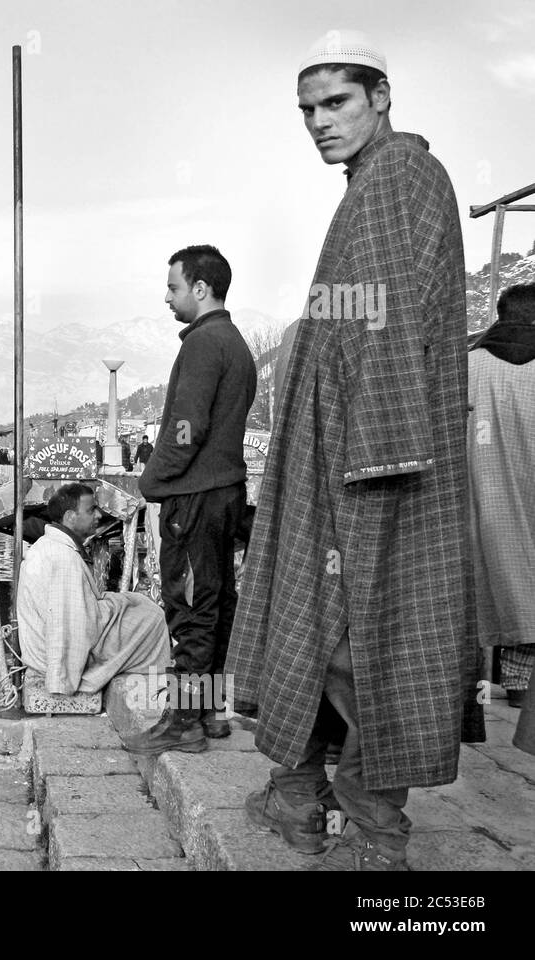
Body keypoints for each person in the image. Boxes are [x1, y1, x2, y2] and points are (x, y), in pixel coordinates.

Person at [225, 30, 473, 871]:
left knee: (357, 639)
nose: (319, 123)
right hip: (344, 444)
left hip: (372, 456)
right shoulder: (372, 183)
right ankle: (297, 797)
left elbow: (393, 328)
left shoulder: (400, 176)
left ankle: (376, 835)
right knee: (314, 623)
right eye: (307, 109)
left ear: (381, 96)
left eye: (336, 103)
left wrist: (369, 452)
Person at [124, 245, 256, 755]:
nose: (167, 296)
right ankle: (209, 713)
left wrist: (151, 482)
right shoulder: (235, 343)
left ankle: (184, 722)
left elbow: (185, 430)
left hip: (194, 498)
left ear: (201, 289)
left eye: (174, 287)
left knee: (191, 607)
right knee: (218, 603)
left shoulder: (204, 344)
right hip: (225, 493)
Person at [16, 482, 170, 697]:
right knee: (151, 618)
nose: (98, 515)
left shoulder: (47, 546)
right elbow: (67, 627)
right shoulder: (63, 558)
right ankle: (154, 690)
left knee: (136, 603)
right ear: (70, 517)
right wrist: (62, 681)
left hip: (43, 648)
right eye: (90, 510)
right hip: (50, 658)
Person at [469, 283, 535, 711]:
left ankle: (468, 700)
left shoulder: (467, 365)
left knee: (479, 598)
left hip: (475, 509)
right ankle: (520, 691)